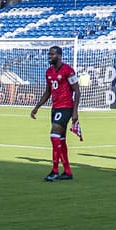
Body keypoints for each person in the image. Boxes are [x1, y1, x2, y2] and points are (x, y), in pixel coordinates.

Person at [29, 45, 80, 181]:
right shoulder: (49, 72)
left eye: (52, 54)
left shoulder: (68, 70)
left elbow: (77, 91)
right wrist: (37, 107)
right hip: (55, 108)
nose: (49, 57)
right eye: (49, 54)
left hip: (66, 107)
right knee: (61, 140)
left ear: (59, 55)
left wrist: (75, 112)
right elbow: (48, 92)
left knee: (54, 136)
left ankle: (55, 170)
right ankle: (68, 172)